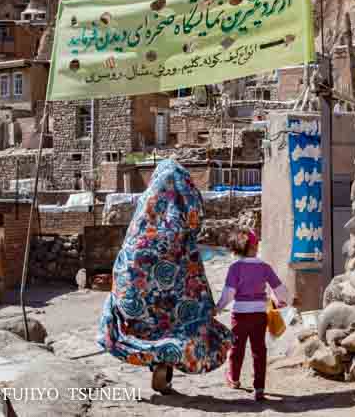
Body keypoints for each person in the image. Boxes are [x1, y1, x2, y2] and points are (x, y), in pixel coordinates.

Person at [98, 159, 233, 394]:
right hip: (173, 275)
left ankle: (156, 361)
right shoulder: (183, 203)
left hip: (134, 273)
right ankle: (166, 362)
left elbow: (130, 241)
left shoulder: (145, 205)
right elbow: (195, 218)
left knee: (145, 321)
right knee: (178, 319)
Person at [215, 228, 289, 401]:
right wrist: (281, 302)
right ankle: (260, 388)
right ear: (255, 246)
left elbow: (229, 293)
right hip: (259, 314)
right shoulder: (264, 267)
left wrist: (218, 308)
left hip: (240, 314)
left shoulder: (235, 268)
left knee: (236, 348)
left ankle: (234, 379)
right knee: (259, 350)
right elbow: (280, 290)